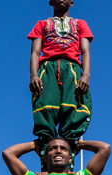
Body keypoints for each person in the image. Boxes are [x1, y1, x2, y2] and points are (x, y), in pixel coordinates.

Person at [28, 0, 93, 160]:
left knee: (73, 108)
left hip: (71, 68)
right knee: (45, 108)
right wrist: (33, 75)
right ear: (50, 2)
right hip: (48, 68)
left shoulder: (80, 24)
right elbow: (35, 52)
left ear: (71, 2)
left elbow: (85, 52)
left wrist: (85, 75)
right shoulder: (42, 24)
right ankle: (45, 159)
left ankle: (68, 160)